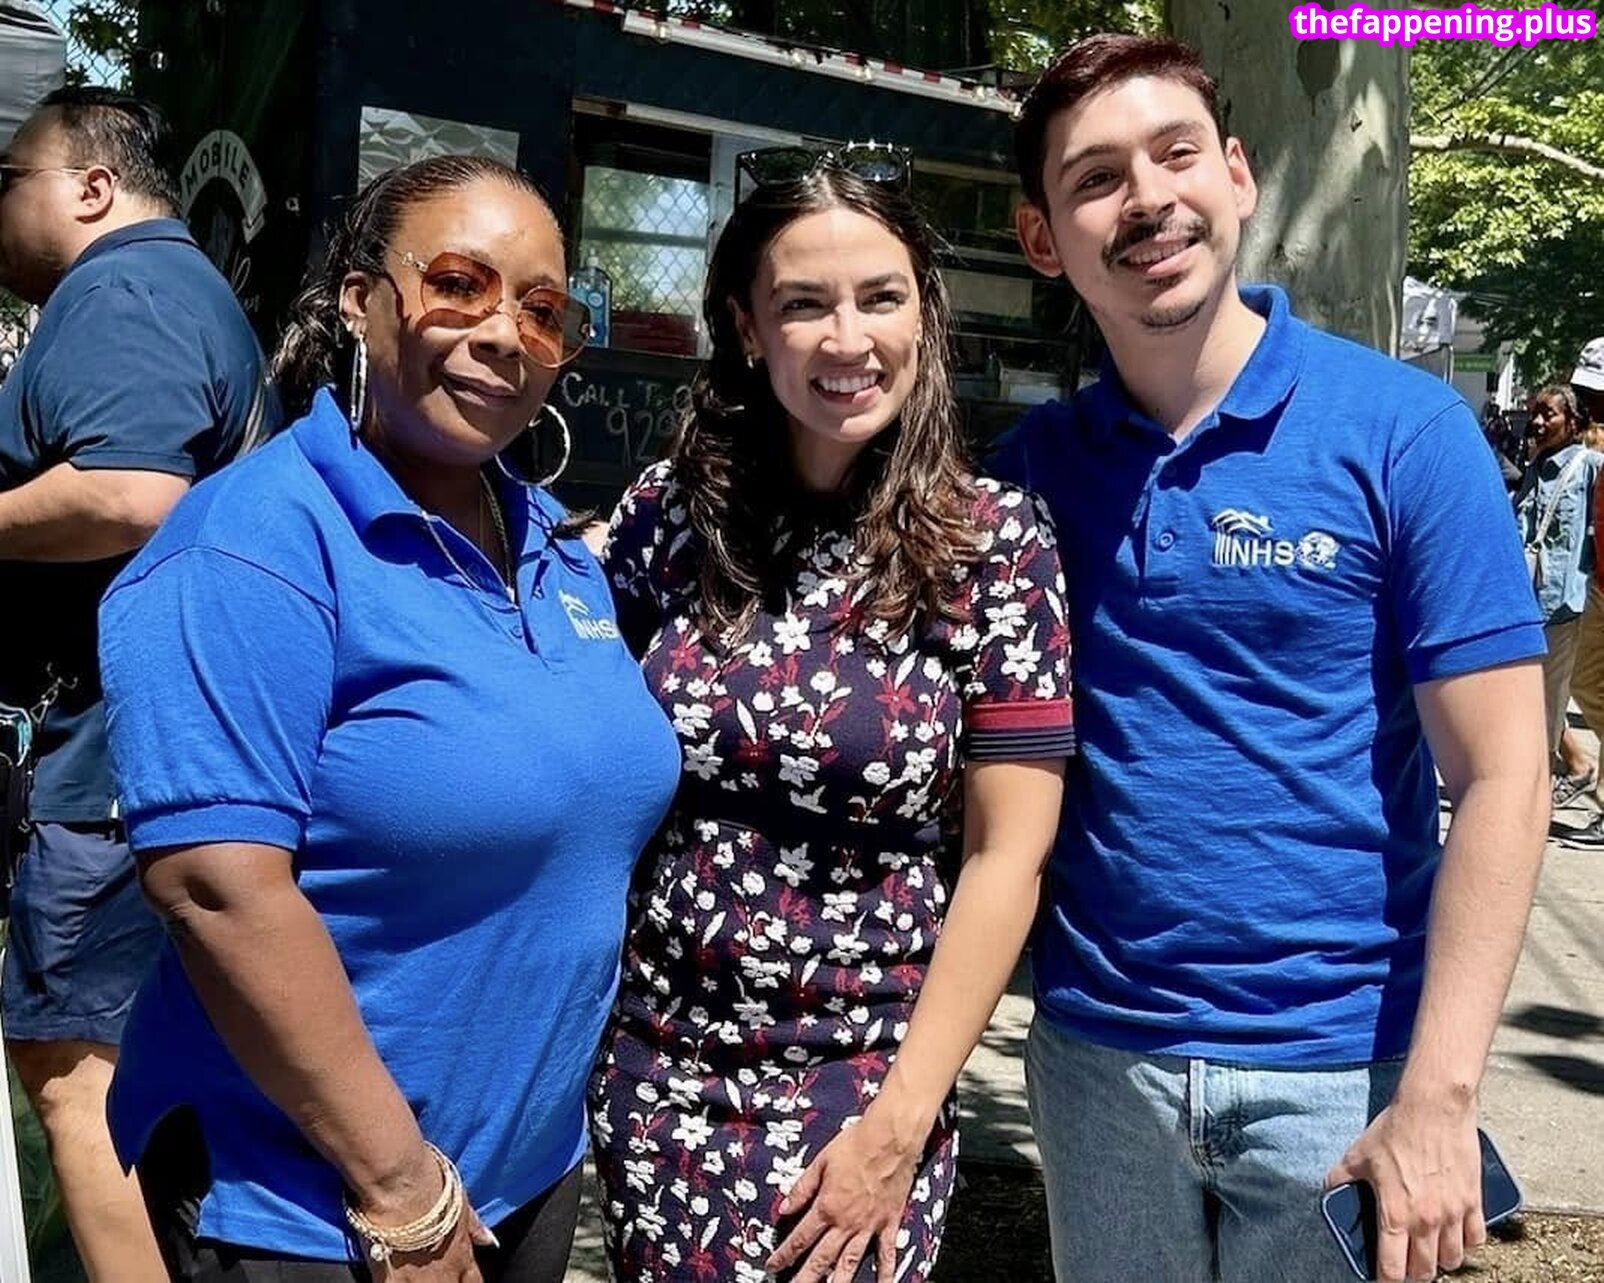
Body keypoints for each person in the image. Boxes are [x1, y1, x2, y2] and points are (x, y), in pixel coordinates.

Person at [994, 34, 1549, 1283]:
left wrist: (1439, 1093)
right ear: (1042, 238)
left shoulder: (1405, 432)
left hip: (1344, 1074)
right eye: (1094, 178)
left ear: (1236, 176)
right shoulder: (1025, 475)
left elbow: (1505, 773)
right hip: (1097, 1065)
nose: (1146, 199)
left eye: (1175, 154)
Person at [96, 154, 682, 1281]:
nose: (504, 334)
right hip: (321, 1203)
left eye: (543, 310)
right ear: (359, 299)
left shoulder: (552, 544)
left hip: (523, 1168)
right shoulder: (252, 545)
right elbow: (217, 889)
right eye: (458, 284)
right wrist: (401, 1187)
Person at [589, 144, 1074, 1283]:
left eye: (880, 297)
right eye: (804, 303)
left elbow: (1007, 856)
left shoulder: (994, 546)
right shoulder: (670, 516)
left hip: (859, 1086)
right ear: (748, 327)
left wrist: (898, 1127)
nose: (847, 339)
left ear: (925, 315)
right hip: (656, 1070)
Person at [0, 86, 275, 1281]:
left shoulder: (121, 288)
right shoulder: (174, 287)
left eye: (8, 180)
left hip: (111, 769)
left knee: (72, 1072)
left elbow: (127, 492)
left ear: (92, 187)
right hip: (157, 759)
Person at [1513, 386, 1603, 799]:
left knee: (1546, 706)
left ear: (1573, 421)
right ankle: (1574, 768)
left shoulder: (1590, 468)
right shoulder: (1534, 468)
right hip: (1527, 607)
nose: (1536, 422)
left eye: (1547, 414)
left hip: (1565, 609)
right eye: (1535, 413)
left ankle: (1537, 796)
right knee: (1529, 701)